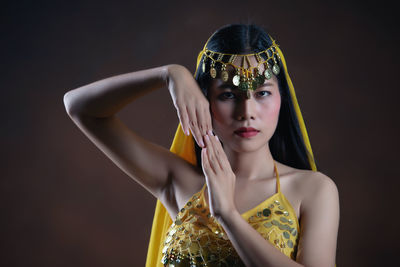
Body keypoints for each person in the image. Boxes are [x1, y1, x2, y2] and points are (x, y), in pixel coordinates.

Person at [63, 24, 339, 267]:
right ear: (203, 101)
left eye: (262, 92)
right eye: (229, 94)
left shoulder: (311, 189)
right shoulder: (179, 182)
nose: (247, 111)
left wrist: (227, 216)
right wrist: (169, 74)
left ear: (283, 99)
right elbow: (79, 107)